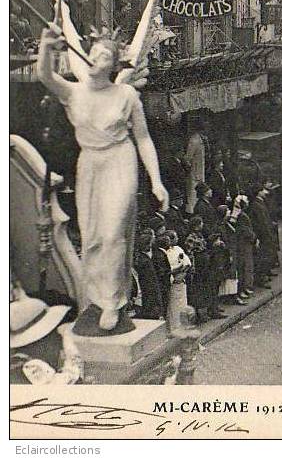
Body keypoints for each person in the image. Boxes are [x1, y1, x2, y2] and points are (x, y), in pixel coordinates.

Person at [36, 26, 170, 331]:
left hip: (119, 160)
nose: (96, 57)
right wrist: (46, 47)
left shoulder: (126, 95)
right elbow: (46, 77)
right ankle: (97, 300)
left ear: (113, 65)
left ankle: (113, 302)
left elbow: (144, 139)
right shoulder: (74, 92)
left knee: (112, 233)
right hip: (90, 164)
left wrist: (156, 180)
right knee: (93, 236)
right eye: (93, 52)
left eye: (105, 55)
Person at [249, 182, 278, 282]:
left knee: (268, 253)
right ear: (258, 193)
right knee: (263, 254)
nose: (264, 192)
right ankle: (262, 276)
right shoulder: (256, 205)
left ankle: (267, 271)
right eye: (262, 190)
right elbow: (262, 221)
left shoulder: (261, 202)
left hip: (266, 232)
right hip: (263, 234)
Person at [133, 230, 165, 320]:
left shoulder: (137, 258)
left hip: (141, 297)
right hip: (149, 297)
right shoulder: (146, 261)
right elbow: (152, 283)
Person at [185, 120, 208, 215]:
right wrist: (191, 169)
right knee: (193, 195)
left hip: (200, 171)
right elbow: (187, 158)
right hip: (194, 173)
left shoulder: (202, 140)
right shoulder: (194, 141)